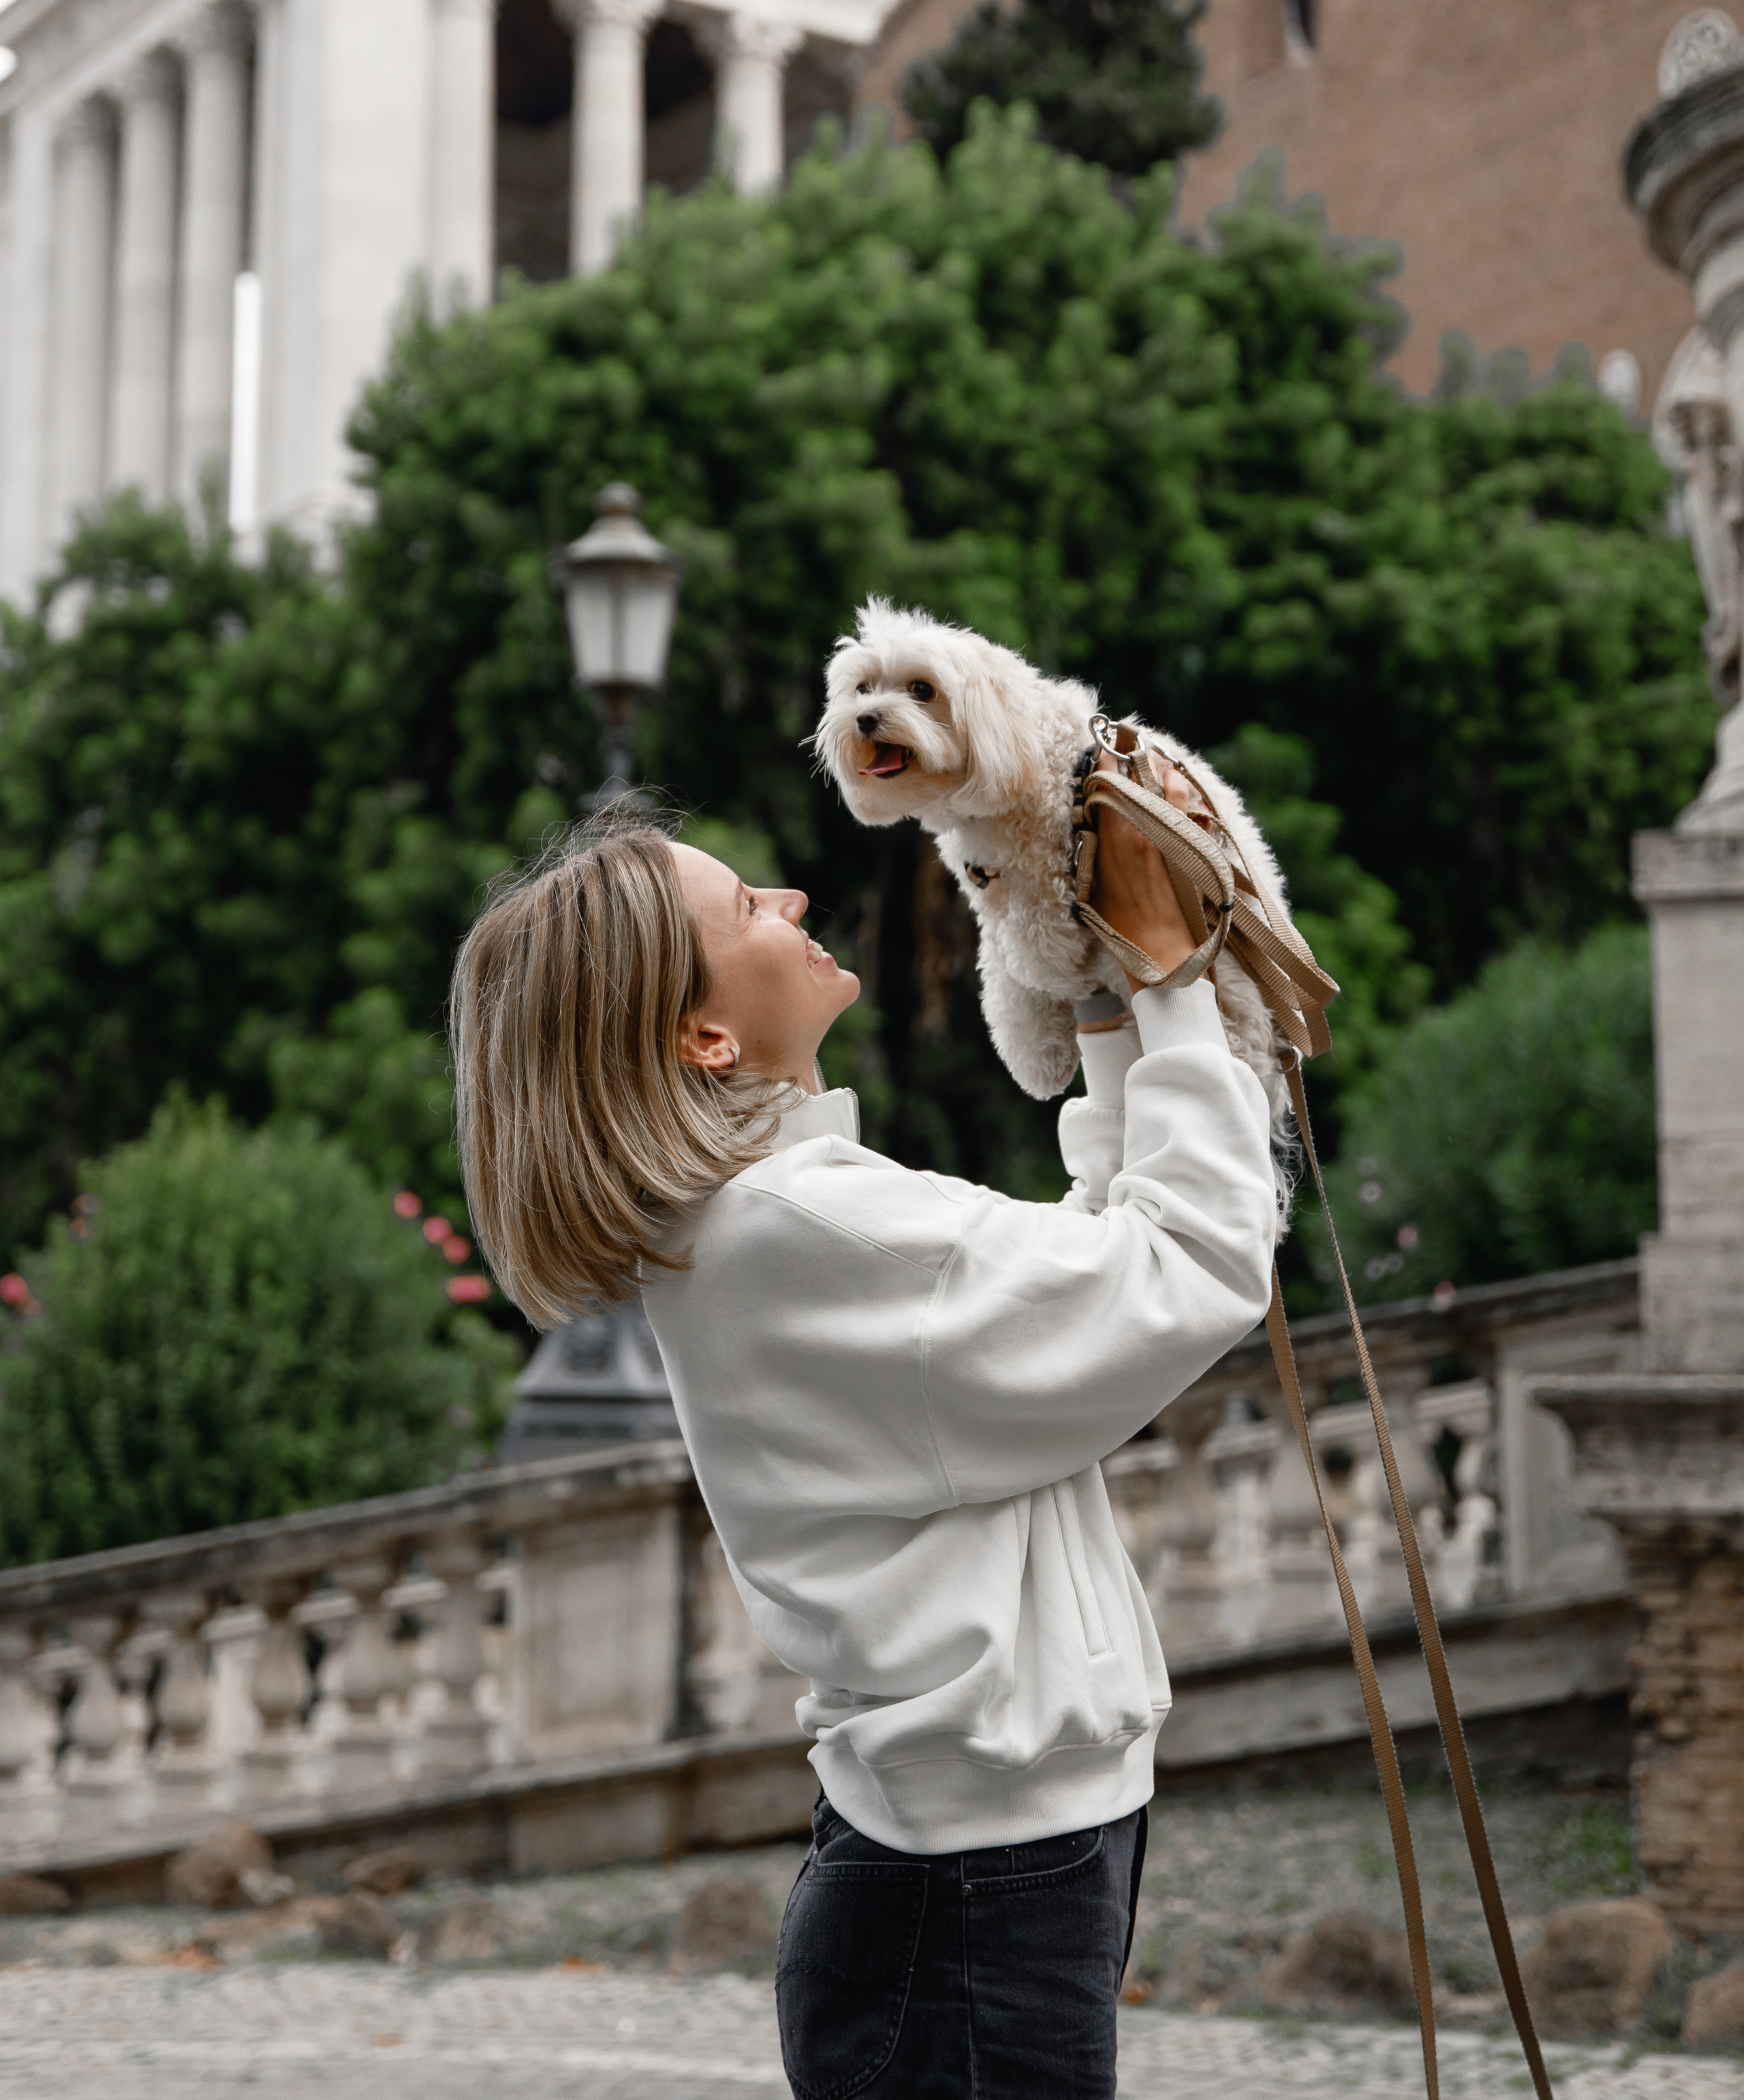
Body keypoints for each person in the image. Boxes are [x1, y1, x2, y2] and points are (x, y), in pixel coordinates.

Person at [450, 756, 1277, 2099]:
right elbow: (1189, 1269)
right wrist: (1171, 979)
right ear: (704, 1038)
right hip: (974, 1895)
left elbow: (1078, 1305)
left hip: (972, 1874)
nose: (788, 899)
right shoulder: (801, 1227)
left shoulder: (776, 1216)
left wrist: (1109, 999)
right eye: (745, 909)